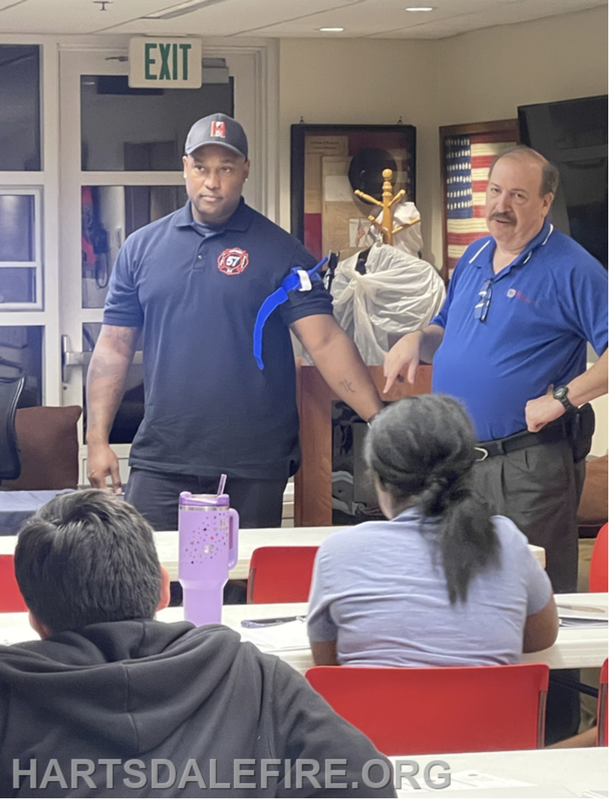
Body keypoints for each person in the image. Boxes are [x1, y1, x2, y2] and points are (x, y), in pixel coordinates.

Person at [86, 113, 383, 532]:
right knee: (150, 584)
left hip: (253, 465)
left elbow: (326, 342)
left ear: (244, 171)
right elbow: (114, 347)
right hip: (161, 459)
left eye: (226, 168)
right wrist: (97, 439)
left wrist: (381, 421)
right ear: (185, 168)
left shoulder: (283, 253)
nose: (212, 181)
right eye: (202, 168)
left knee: (242, 589)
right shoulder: (141, 249)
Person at [0, 489, 396, 798]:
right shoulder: (255, 678)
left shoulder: (11, 696)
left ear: (35, 619)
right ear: (162, 590)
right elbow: (367, 783)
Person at [384, 145, 608, 595]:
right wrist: (417, 339)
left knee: (533, 596)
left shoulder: (574, 269)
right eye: (495, 191)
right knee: (462, 591)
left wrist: (564, 399)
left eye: (519, 196)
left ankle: (550, 671)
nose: (501, 206)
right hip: (458, 462)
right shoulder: (475, 255)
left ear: (545, 203)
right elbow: (445, 327)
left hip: (527, 465)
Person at [307, 395, 559, 667]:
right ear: (468, 471)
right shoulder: (505, 540)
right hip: (486, 709)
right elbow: (541, 638)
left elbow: (327, 663)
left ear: (378, 480)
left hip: (369, 710)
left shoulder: (338, 552)